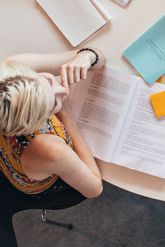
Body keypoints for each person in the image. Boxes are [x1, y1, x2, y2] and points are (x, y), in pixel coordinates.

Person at [0, 48, 104, 197]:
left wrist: (87, 56)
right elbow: (94, 189)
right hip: (35, 176)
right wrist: (66, 115)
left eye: (49, 80)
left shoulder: (11, 72)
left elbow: (98, 56)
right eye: (55, 103)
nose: (63, 90)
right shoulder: (51, 149)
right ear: (37, 122)